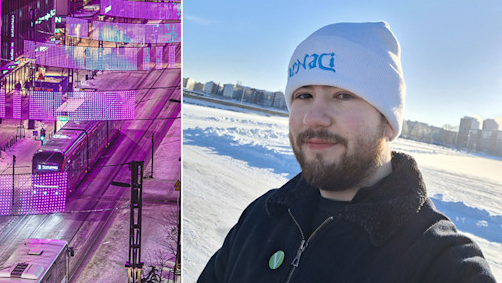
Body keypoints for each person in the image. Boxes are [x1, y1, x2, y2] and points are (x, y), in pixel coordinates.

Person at [198, 22, 496, 282]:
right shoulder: (262, 216)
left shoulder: (441, 262)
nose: (314, 117)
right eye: (304, 95)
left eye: (343, 95)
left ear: (388, 123)